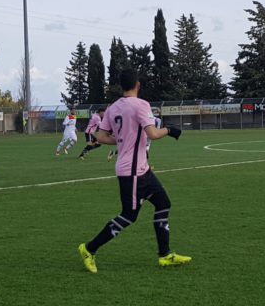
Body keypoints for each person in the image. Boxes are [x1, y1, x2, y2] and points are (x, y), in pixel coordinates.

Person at [78, 69, 190, 273]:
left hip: (141, 170)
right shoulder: (141, 105)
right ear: (138, 85)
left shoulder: (112, 108)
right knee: (129, 215)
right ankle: (89, 248)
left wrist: (123, 140)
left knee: (163, 203)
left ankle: (165, 255)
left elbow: (100, 137)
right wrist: (170, 130)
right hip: (132, 172)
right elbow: (153, 134)